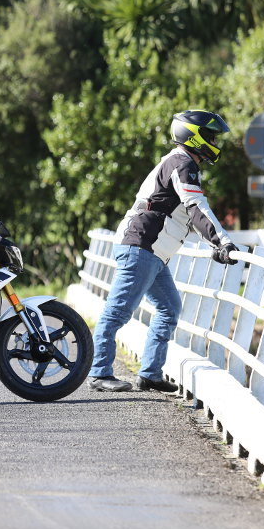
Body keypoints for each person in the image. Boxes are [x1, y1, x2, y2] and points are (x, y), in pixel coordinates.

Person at [89, 109, 239, 393]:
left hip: (153, 252)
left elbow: (187, 215)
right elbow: (197, 208)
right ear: (193, 136)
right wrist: (222, 242)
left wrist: (216, 243)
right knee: (118, 311)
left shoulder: (180, 163)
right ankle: (99, 372)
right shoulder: (183, 163)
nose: (214, 143)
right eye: (210, 137)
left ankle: (150, 374)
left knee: (169, 309)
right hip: (140, 247)